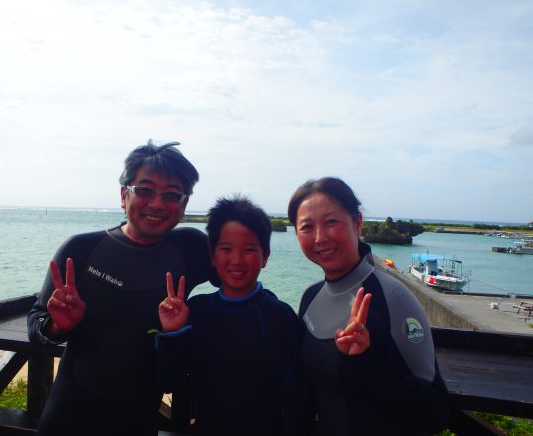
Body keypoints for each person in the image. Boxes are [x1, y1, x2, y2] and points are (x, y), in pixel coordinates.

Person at [27, 140, 218, 436]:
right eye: (145, 190)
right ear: (123, 194)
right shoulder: (81, 250)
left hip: (139, 422)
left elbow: (236, 280)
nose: (157, 204)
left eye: (171, 195)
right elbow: (37, 328)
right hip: (68, 418)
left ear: (184, 205)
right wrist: (57, 326)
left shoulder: (191, 249)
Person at [287, 177, 449, 436]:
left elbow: (436, 413)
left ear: (358, 223)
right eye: (306, 227)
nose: (320, 237)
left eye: (331, 222)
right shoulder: (310, 297)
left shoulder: (394, 297)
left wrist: (366, 360)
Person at [156, 196, 303, 436]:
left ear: (265, 256)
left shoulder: (280, 317)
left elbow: (295, 396)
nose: (237, 260)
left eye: (249, 250)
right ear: (212, 256)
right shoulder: (196, 311)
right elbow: (169, 382)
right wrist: (173, 333)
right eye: (226, 249)